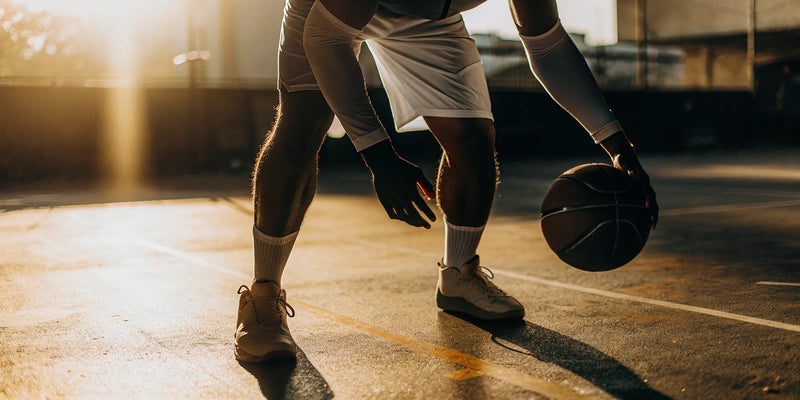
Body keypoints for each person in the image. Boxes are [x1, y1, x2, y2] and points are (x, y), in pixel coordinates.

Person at [234, 0, 658, 363]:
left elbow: (546, 44)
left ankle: (458, 276)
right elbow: (325, 39)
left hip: (425, 15)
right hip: (329, 13)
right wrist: (380, 156)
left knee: (473, 138)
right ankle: (263, 292)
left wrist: (619, 146)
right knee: (303, 122)